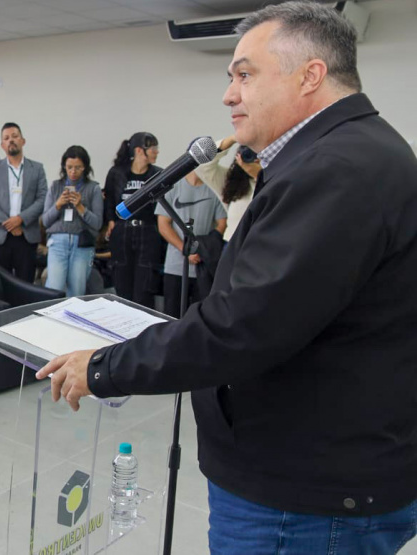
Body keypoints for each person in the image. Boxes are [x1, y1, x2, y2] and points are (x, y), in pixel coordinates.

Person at [37, 3, 417, 554]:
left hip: (303, 496)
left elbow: (244, 324)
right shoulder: (344, 153)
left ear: (310, 75)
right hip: (314, 468)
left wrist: (104, 366)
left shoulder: (337, 169)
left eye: (245, 74)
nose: (228, 95)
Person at [0, 123, 48, 283]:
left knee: (26, 282)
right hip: (0, 234)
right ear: (2, 145)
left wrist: (21, 219)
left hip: (26, 234)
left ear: (23, 141)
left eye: (15, 136)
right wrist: (9, 223)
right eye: (6, 138)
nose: (11, 140)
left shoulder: (37, 168)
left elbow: (43, 198)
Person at [154, 171, 227, 317]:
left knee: (199, 317)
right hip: (175, 267)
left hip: (203, 267)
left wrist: (204, 247)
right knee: (171, 317)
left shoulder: (213, 189)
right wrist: (185, 249)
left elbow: (223, 223)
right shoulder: (173, 187)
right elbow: (163, 225)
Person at [103, 132, 163, 308]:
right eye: (153, 149)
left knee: (144, 287)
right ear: (139, 150)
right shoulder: (117, 173)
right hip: (123, 232)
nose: (156, 152)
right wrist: (111, 222)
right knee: (122, 284)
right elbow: (110, 201)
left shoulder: (158, 174)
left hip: (148, 232)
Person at [41, 146, 103, 297]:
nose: (73, 172)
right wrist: (58, 204)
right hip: (57, 242)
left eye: (78, 167)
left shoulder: (93, 188)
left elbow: (97, 223)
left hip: (82, 243)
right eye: (69, 167)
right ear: (64, 166)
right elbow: (45, 221)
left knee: (77, 291)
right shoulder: (56, 186)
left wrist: (81, 207)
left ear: (85, 167)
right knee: (53, 288)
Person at [195, 135, 261, 242]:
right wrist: (233, 139)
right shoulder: (230, 181)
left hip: (263, 247)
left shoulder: (275, 180)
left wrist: (258, 175)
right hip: (233, 245)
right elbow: (201, 166)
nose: (254, 158)